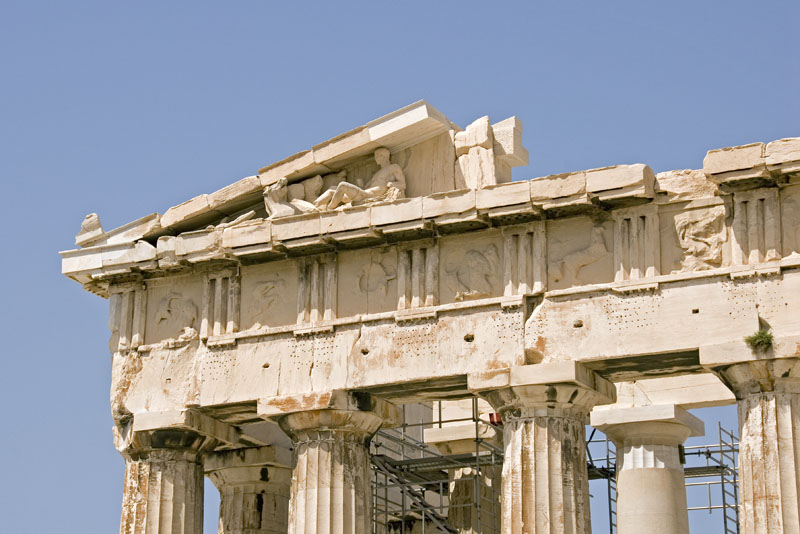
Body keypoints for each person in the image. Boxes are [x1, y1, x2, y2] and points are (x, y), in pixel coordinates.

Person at [314, 148, 406, 210]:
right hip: (363, 194)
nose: (376, 158)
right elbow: (365, 188)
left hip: (368, 196)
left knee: (342, 185)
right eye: (376, 156)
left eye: (377, 156)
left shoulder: (393, 167)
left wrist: (392, 184)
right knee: (332, 189)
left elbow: (403, 184)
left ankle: (329, 210)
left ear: (384, 156)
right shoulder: (376, 174)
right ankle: (315, 206)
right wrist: (361, 184)